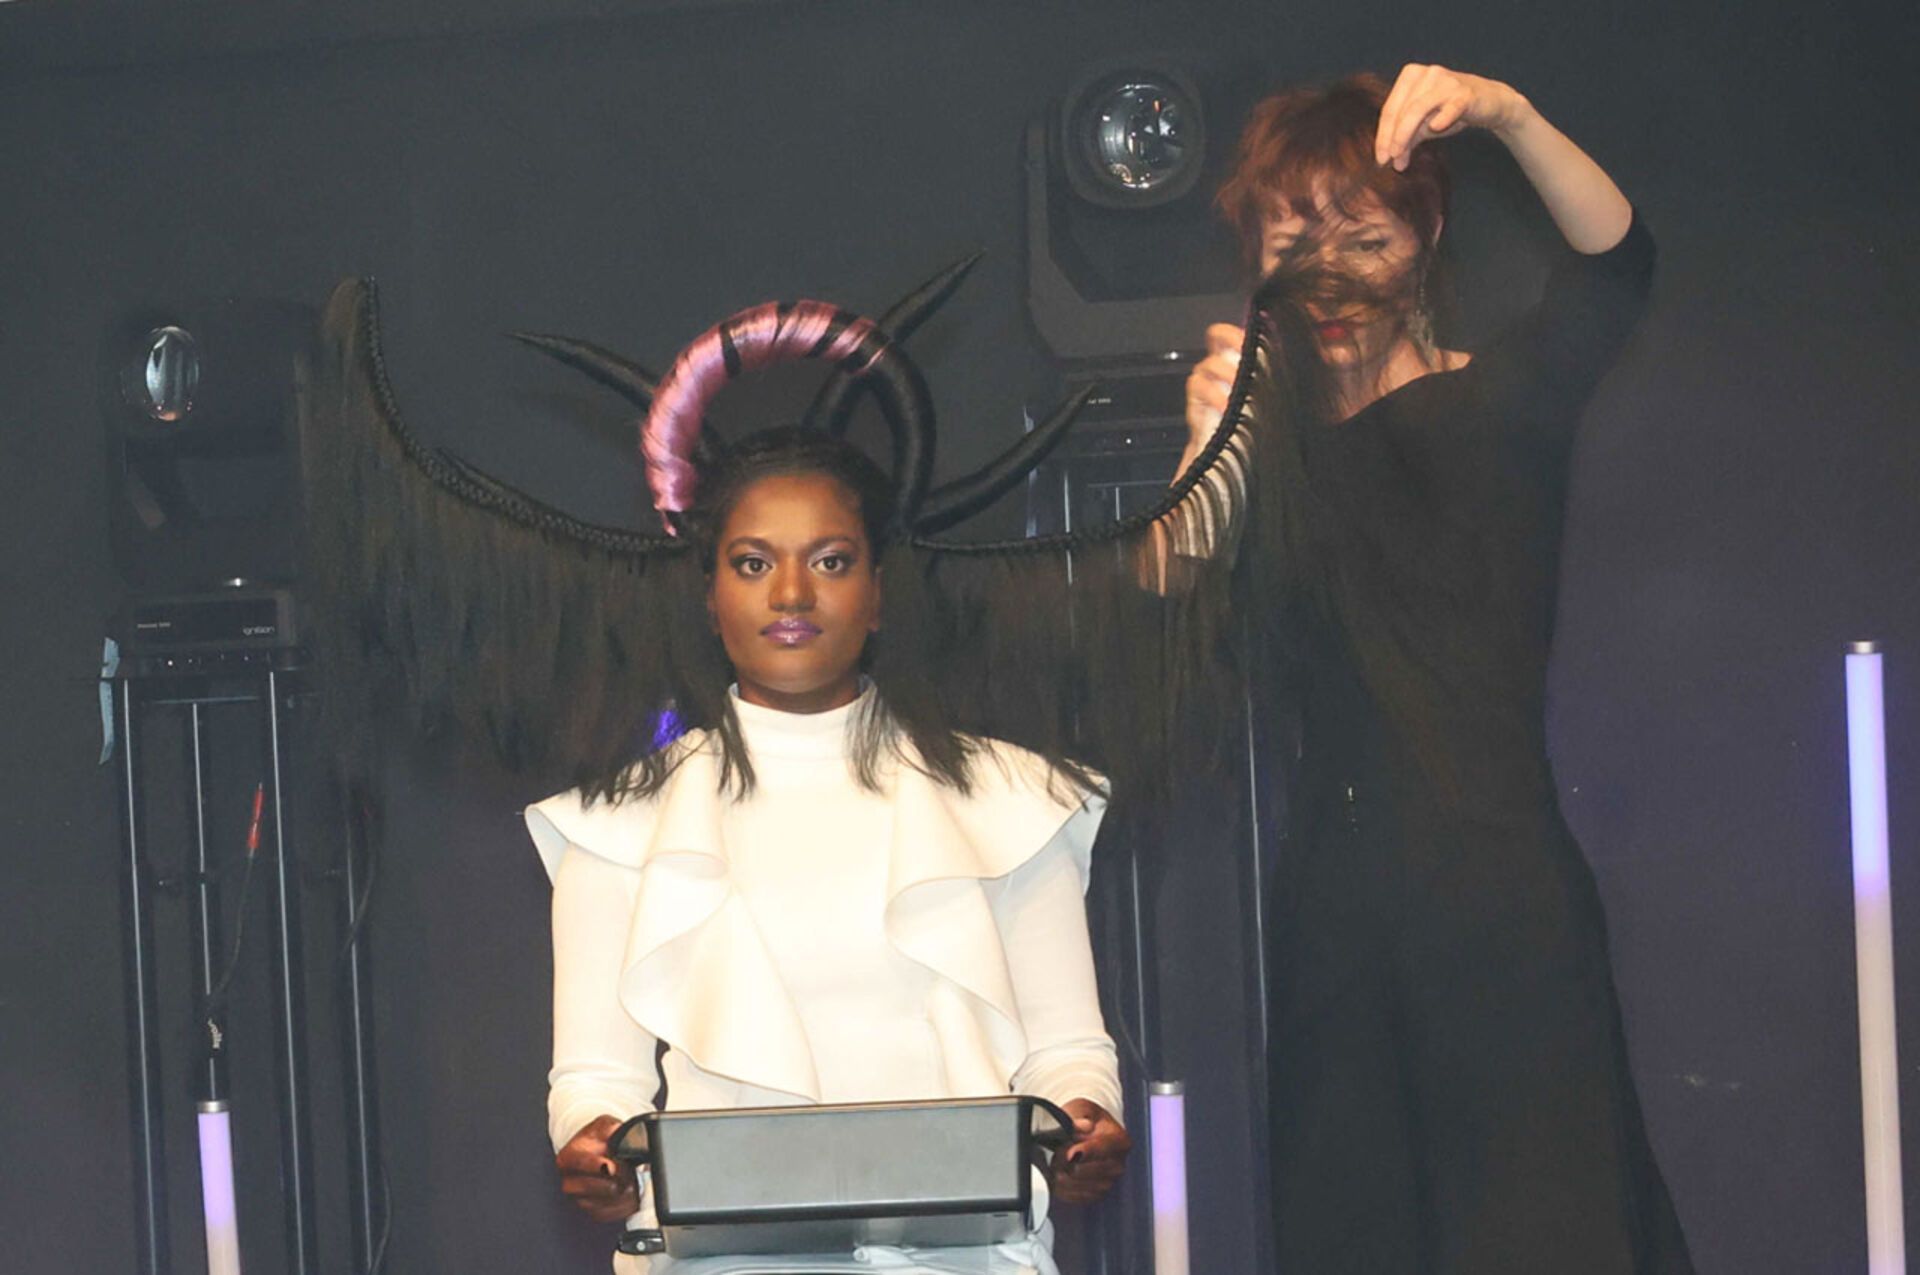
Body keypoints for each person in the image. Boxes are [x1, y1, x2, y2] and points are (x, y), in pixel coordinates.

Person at [1179, 65, 1694, 1272]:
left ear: (1426, 238)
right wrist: (1204, 469)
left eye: (1367, 236)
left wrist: (1508, 114)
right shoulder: (1265, 456)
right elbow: (1154, 624)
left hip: (1499, 902)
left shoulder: (1501, 404)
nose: (1332, 272)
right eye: (1293, 241)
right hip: (1334, 924)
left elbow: (1617, 264)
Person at [522, 420, 1131, 1275]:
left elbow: (1067, 1052)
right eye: (752, 563)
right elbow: (594, 1077)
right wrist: (595, 1150)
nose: (791, 593)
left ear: (878, 594)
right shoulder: (621, 822)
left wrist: (1085, 1123)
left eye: (832, 561)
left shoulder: (1010, 799)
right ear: (710, 597)